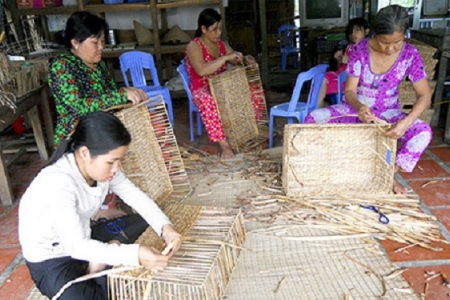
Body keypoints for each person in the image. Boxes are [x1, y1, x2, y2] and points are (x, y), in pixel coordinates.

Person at [18, 111, 181, 300]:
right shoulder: (57, 183)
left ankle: (102, 258)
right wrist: (135, 255)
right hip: (53, 258)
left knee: (145, 224)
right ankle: (102, 259)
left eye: (119, 161)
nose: (116, 169)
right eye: (111, 161)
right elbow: (76, 246)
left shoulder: (103, 171)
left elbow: (136, 197)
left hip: (84, 236)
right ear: (85, 153)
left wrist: (165, 228)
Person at [305, 5, 432, 194]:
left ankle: (387, 175)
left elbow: (425, 95)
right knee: (313, 119)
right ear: (374, 34)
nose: (390, 49)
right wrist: (359, 107)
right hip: (355, 110)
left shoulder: (410, 55)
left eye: (397, 42)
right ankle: (326, 171)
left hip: (388, 114)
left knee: (422, 133)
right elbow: (349, 90)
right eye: (384, 42)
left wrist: (406, 122)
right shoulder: (359, 50)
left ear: (404, 35)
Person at [48, 11, 148, 148]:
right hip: (76, 139)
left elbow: (109, 95)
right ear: (75, 43)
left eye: (102, 41)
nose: (101, 47)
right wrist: (121, 94)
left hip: (102, 133)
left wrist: (129, 96)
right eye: (95, 42)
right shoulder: (62, 67)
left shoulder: (99, 64)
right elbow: (78, 107)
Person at [185, 8, 265, 159]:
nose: (219, 33)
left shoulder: (221, 44)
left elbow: (236, 61)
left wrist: (245, 59)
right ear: (203, 28)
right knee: (208, 100)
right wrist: (224, 58)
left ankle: (247, 132)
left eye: (220, 28)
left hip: (222, 86)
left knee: (251, 90)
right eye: (214, 29)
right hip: (202, 89)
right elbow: (202, 70)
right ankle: (225, 146)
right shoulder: (194, 46)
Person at [317, 17, 370, 108]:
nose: (353, 34)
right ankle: (319, 107)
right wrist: (339, 59)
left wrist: (349, 61)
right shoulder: (350, 46)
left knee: (323, 83)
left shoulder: (367, 48)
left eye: (357, 30)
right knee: (320, 78)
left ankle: (320, 107)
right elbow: (340, 66)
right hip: (340, 74)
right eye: (351, 31)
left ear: (367, 31)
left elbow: (365, 67)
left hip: (350, 81)